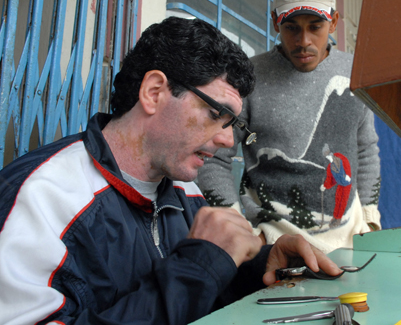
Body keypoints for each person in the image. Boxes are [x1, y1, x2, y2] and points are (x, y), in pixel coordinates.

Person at [0, 17, 342, 324]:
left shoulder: (182, 190)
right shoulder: (41, 199)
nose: (227, 140)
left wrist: (260, 265)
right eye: (215, 114)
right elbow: (192, 275)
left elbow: (200, 290)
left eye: (233, 123)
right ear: (154, 92)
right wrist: (202, 264)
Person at [196, 0, 381, 253]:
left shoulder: (355, 71)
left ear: (333, 23)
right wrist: (235, 225)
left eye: (315, 26)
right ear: (275, 22)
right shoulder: (247, 77)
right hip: (270, 246)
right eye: (292, 27)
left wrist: (369, 219)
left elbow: (366, 148)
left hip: (351, 244)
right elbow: (213, 157)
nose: (304, 40)